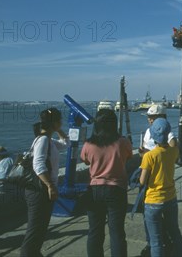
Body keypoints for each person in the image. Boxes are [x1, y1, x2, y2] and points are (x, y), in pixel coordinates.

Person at [80, 109, 133, 257]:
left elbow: (84, 160)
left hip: (94, 190)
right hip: (116, 189)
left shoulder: (89, 144)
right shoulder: (122, 142)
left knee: (95, 231)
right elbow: (129, 156)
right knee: (117, 232)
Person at [21, 108, 69, 257]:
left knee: (40, 229)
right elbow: (38, 165)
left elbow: (66, 143)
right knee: (35, 230)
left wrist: (58, 130)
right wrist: (50, 185)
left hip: (41, 190)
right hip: (39, 190)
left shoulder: (49, 140)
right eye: (59, 121)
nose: (61, 123)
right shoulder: (42, 140)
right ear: (54, 122)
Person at [140, 118, 182, 257]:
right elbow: (173, 146)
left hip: (153, 201)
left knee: (156, 240)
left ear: (153, 136)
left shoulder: (149, 156)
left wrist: (143, 158)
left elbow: (142, 180)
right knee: (175, 232)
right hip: (171, 198)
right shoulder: (174, 151)